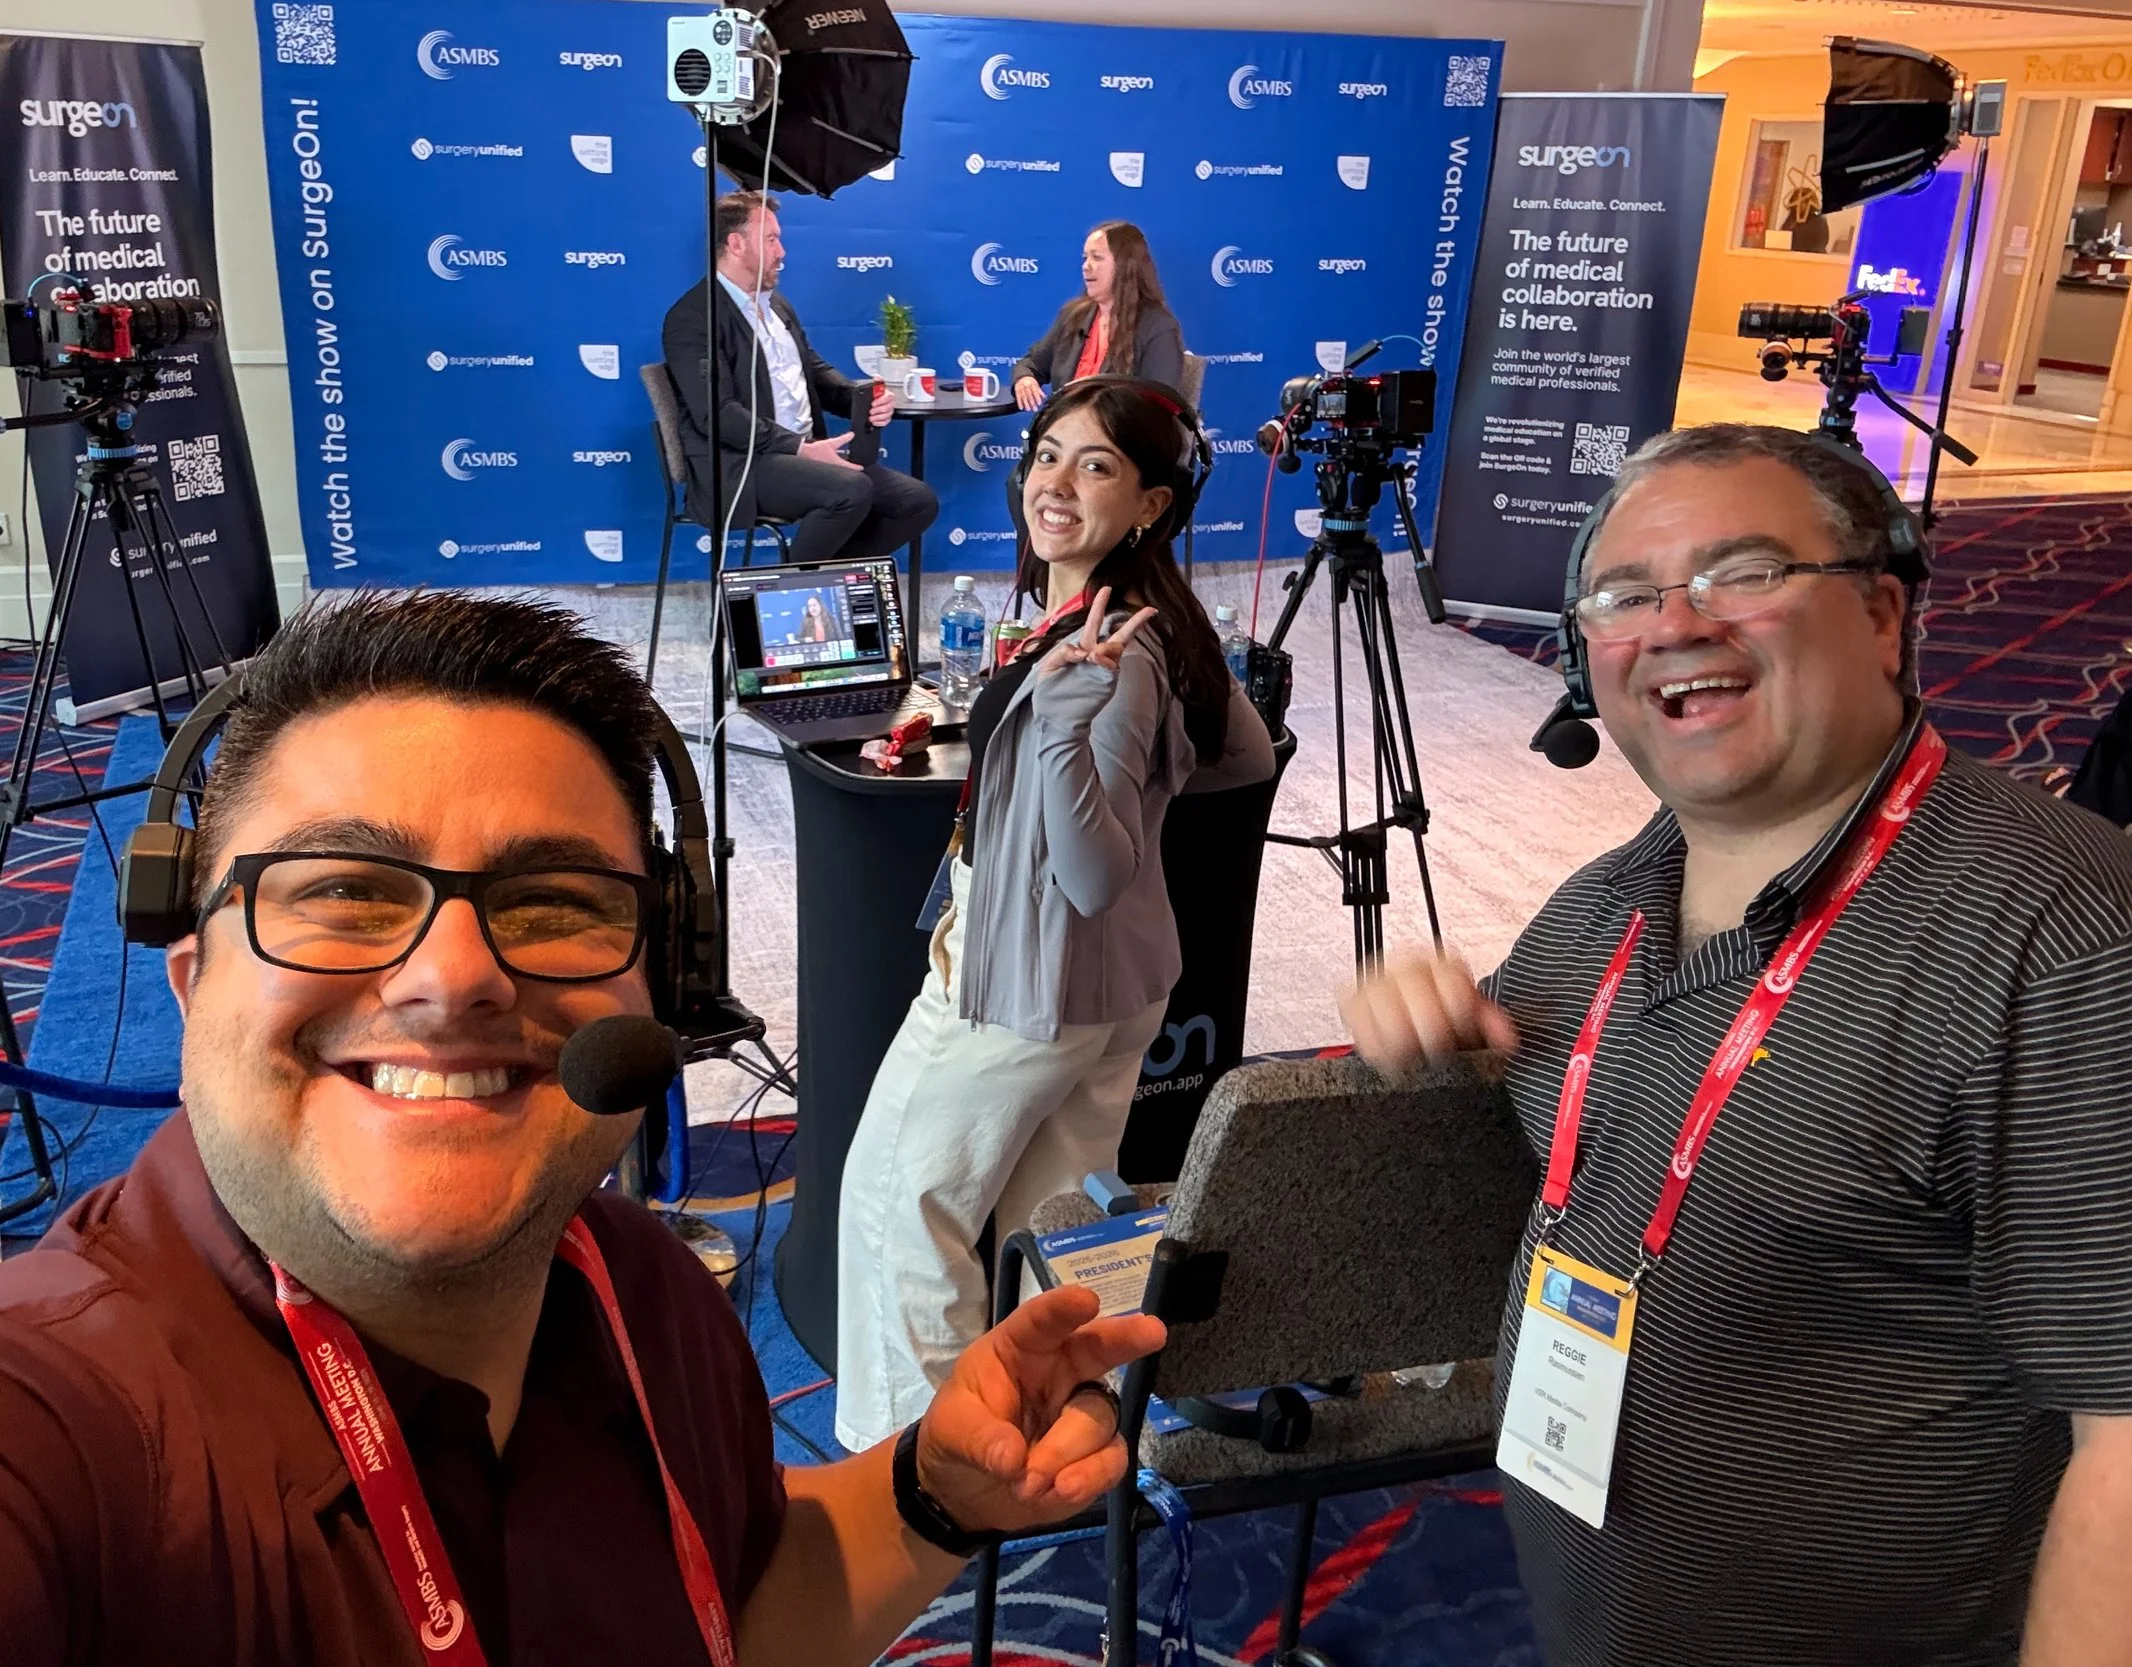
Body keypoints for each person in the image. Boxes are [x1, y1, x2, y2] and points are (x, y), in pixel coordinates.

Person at [0, 592, 1166, 1667]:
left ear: (661, 982)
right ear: (192, 978)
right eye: (344, 891)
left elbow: (730, 1606)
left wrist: (926, 1490)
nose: (453, 975)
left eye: (551, 900)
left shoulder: (641, 1290)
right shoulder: (19, 1429)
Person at [1338, 424, 2132, 1667]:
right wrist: (1432, 1028)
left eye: (1742, 573)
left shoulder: (2064, 942)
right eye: (1623, 595)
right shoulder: (1608, 900)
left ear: (1881, 615)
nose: (1674, 623)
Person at [832, 377, 1273, 1450]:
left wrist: (1072, 736)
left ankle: (918, 1470)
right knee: (1049, 1234)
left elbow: (1092, 873)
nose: (1056, 484)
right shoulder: (1134, 616)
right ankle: (1044, 1435)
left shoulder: (1120, 650)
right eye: (1046, 456)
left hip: (1027, 981)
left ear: (1153, 504)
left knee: (900, 1212)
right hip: (1108, 986)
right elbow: (1248, 751)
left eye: (1097, 465)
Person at [662, 190, 939, 562]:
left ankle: (822, 576)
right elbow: (718, 415)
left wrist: (863, 399)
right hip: (740, 466)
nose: (782, 251)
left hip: (804, 454)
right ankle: (792, 587)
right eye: (771, 240)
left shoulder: (777, 306)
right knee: (850, 489)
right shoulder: (694, 317)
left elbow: (815, 374)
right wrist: (799, 447)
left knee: (916, 501)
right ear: (736, 244)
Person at [1013, 222, 1187, 414]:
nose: (1086, 266)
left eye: (1096, 258)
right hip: (1065, 425)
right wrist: (1025, 378)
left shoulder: (1158, 327)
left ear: (1125, 266)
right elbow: (1031, 363)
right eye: (1085, 258)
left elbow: (1158, 408)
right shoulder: (1073, 316)